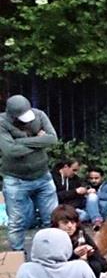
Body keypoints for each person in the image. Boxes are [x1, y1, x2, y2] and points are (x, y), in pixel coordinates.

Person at [0, 95, 59, 251]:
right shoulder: (2, 123)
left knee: (52, 218)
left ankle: (52, 252)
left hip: (43, 175)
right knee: (17, 221)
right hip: (15, 179)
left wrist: (19, 141)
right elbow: (11, 151)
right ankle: (17, 254)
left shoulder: (39, 115)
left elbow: (52, 139)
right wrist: (39, 142)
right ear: (12, 115)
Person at [51, 204, 107, 278]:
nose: (70, 226)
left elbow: (104, 266)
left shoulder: (81, 236)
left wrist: (91, 254)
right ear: (56, 225)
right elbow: (53, 268)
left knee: (95, 265)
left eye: (73, 222)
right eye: (65, 223)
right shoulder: (51, 240)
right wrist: (74, 255)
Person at [54, 160, 102, 226]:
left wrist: (86, 191)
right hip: (63, 209)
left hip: (78, 207)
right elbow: (55, 196)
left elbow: (82, 190)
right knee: (84, 215)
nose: (75, 173)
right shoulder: (53, 178)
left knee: (92, 196)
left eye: (77, 171)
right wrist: (75, 191)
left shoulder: (75, 178)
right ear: (66, 167)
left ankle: (96, 221)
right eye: (74, 170)